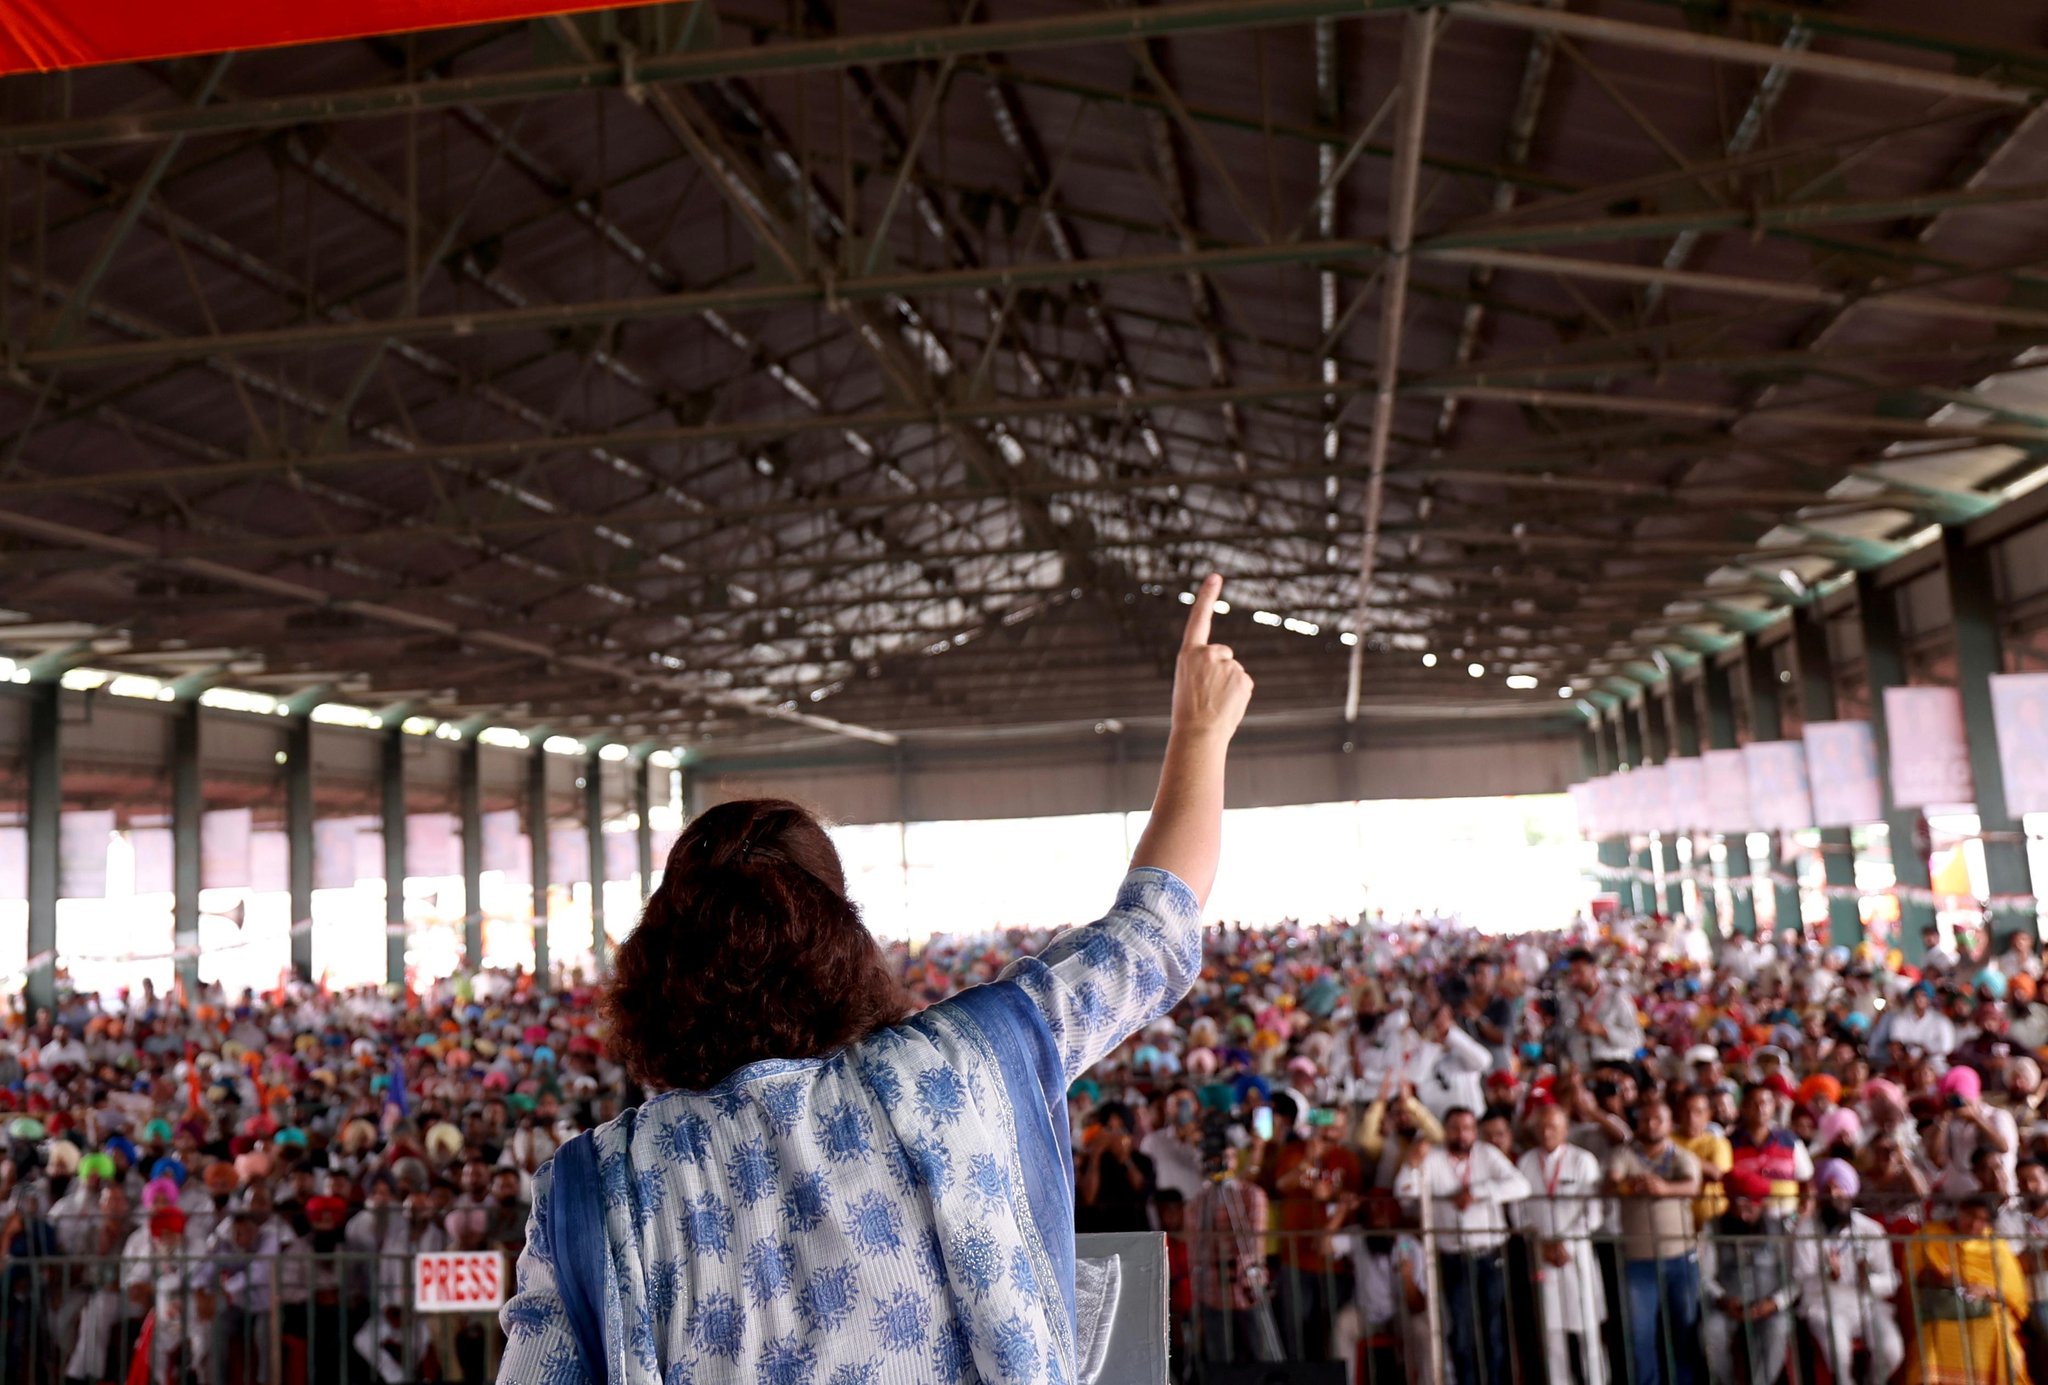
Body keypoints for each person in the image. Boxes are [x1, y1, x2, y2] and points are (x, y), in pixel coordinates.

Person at [495, 574, 1254, 1384]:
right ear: (843, 943)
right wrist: (1198, 731)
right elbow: (1153, 929)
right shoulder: (954, 1072)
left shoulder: (597, 1189)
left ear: (655, 969)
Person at [1394, 1105, 1531, 1385]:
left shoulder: (1487, 1153)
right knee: (1461, 1332)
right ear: (1446, 1130)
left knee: (1493, 1331)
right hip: (1453, 1257)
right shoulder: (1431, 1158)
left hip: (1490, 1254)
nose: (1462, 1134)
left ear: (1475, 1131)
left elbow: (1521, 1185)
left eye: (1468, 1128)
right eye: (1456, 1128)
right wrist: (1410, 1163)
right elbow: (1403, 1194)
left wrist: (1477, 1193)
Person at [1607, 1099, 1702, 1385]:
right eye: (1645, 1120)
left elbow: (1693, 1185)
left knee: (1684, 1331)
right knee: (1640, 1335)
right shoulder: (1624, 1154)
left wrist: (1663, 1188)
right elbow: (1611, 1182)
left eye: (1657, 1119)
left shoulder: (1682, 1155)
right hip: (1638, 1260)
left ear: (1669, 1123)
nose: (1651, 1125)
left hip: (1681, 1257)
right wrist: (1632, 1185)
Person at [1514, 1102, 1607, 1385]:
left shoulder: (1583, 1161)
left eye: (1553, 1126)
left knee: (1588, 1331)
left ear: (1566, 1129)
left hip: (1575, 1253)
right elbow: (1518, 1212)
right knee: (1551, 1333)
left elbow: (1593, 1213)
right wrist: (1541, 1243)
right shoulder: (1526, 1162)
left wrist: (1565, 1241)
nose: (1546, 1132)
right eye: (1541, 1126)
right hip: (1542, 1254)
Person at [1793, 1158, 1904, 1385]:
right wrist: (1827, 1275)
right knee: (1840, 1354)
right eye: (1828, 1189)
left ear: (1850, 1193)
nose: (1834, 1195)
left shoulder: (1871, 1230)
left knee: (1892, 1351)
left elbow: (1891, 1278)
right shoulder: (1805, 1230)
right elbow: (1801, 1280)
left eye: (1839, 1188)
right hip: (1825, 1305)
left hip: (1866, 1304)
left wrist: (1868, 1280)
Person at [1908, 1191, 2034, 1385]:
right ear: (1959, 1211)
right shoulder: (1930, 1235)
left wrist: (1987, 1291)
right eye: (1970, 1216)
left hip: (1988, 1308)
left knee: (1996, 1327)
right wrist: (1944, 1280)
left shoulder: (1996, 1245)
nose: (1974, 1224)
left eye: (1982, 1220)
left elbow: (2013, 1291)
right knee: (1936, 1332)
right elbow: (1915, 1274)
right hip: (1943, 1307)